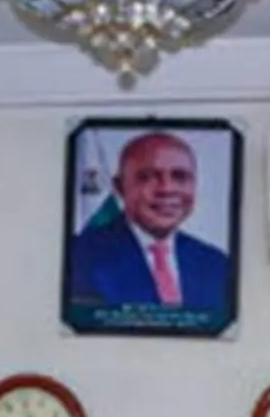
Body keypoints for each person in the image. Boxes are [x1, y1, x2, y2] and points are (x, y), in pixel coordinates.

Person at [66, 130, 233, 317]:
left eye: (180, 176)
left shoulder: (217, 264)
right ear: (120, 187)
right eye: (148, 177)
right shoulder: (78, 257)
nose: (167, 189)